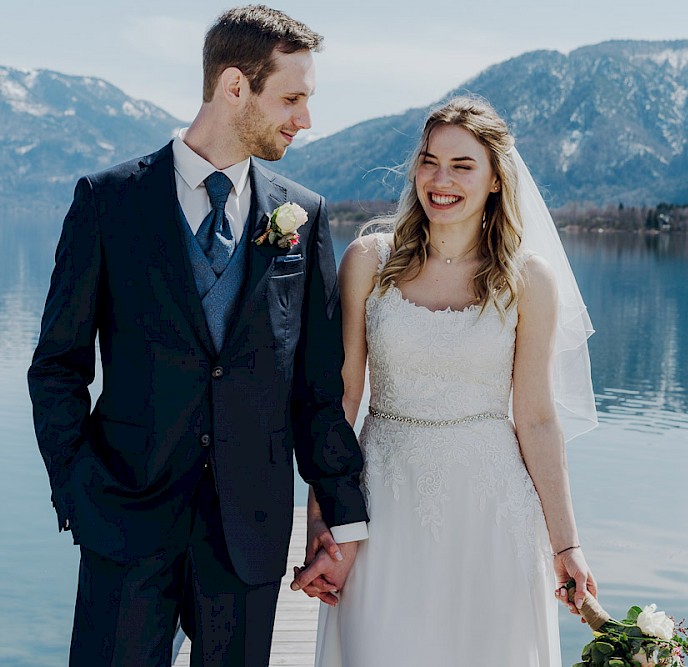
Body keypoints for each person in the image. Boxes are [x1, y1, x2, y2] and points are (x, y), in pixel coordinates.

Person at [26, 6, 366, 665]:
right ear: (234, 86)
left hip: (249, 533)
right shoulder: (108, 201)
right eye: (292, 98)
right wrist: (76, 492)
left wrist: (340, 520)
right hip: (123, 522)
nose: (305, 120)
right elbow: (58, 367)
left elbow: (317, 392)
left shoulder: (306, 215)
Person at [293, 96, 599, 666]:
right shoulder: (369, 260)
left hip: (490, 507)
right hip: (383, 497)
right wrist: (322, 522)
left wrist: (567, 544)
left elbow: (535, 418)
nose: (441, 180)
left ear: (495, 181)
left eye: (462, 166)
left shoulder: (528, 280)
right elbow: (339, 401)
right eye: (430, 161)